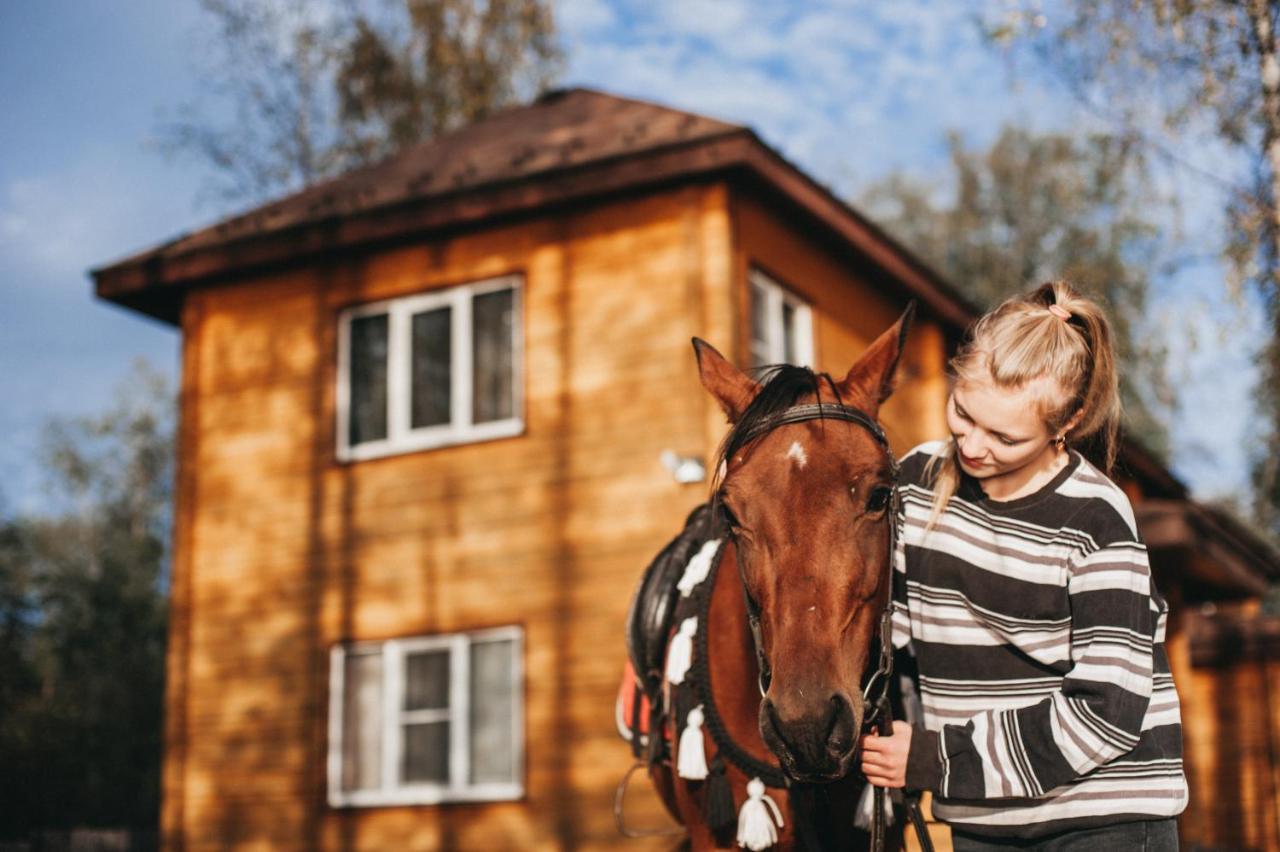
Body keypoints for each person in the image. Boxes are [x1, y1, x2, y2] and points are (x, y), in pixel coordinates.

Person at [859, 282, 1187, 850]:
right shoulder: (914, 484)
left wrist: (937, 757)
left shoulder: (1096, 517)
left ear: (1067, 423)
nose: (974, 446)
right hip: (986, 821)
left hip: (1105, 817)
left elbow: (1108, 712)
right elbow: (887, 629)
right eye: (963, 413)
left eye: (1005, 437)